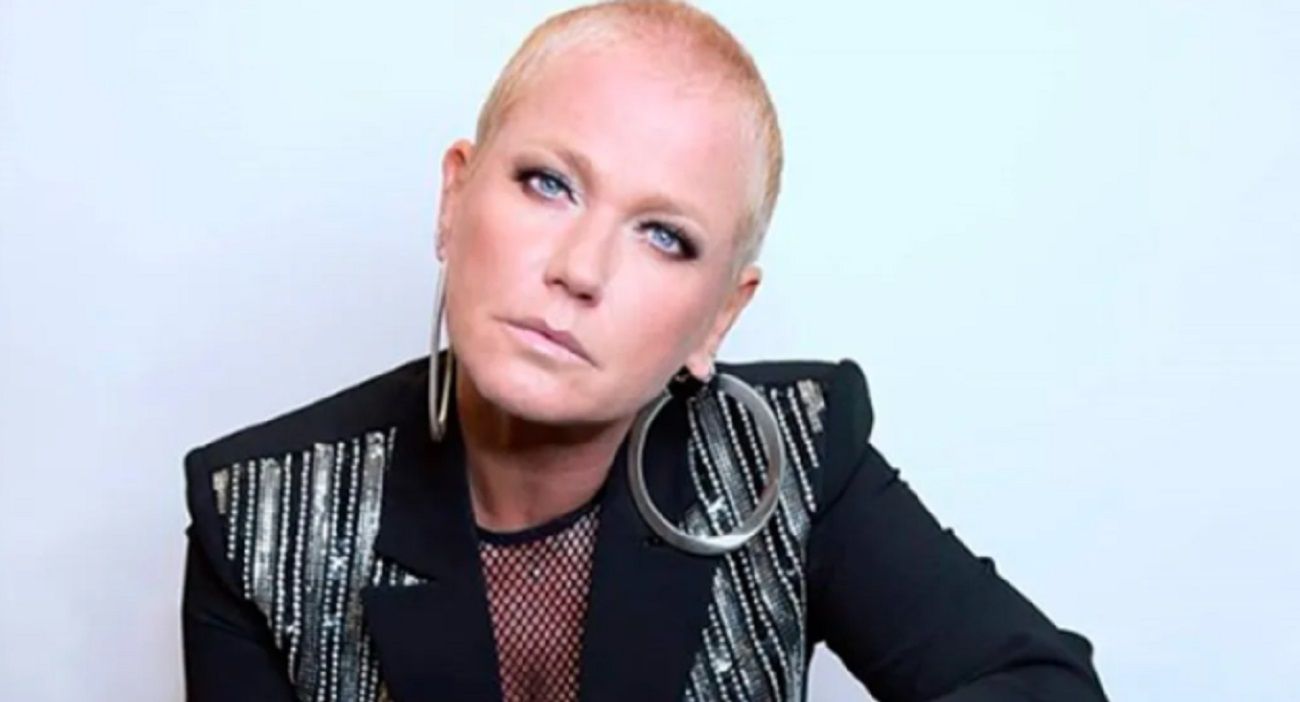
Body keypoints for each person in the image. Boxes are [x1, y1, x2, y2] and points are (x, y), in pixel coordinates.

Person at [179, 1, 1109, 700]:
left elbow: (1037, 685)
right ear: (455, 198)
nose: (580, 269)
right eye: (549, 183)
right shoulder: (261, 514)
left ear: (719, 319)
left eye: (665, 236)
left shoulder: (790, 455)